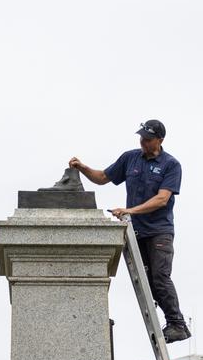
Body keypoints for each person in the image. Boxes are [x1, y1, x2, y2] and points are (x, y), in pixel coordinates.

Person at [69, 119, 190, 342]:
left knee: (160, 278)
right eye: (141, 137)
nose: (143, 142)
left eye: (148, 139)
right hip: (137, 233)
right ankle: (165, 319)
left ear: (160, 140)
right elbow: (103, 178)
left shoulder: (171, 165)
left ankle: (177, 324)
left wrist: (130, 211)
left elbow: (162, 199)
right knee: (147, 281)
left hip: (159, 232)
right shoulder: (130, 158)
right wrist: (83, 167)